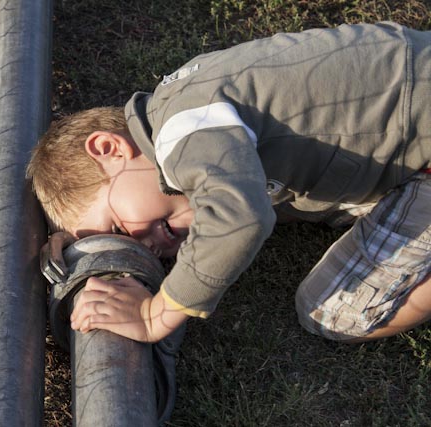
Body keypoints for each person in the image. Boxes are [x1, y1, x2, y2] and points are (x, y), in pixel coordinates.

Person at [26, 21, 431, 344]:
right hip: (409, 111)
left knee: (331, 311)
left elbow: (240, 219)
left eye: (119, 231)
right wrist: (81, 245)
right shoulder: (182, 102)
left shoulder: (180, 136)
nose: (144, 248)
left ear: (110, 149)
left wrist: (155, 315)